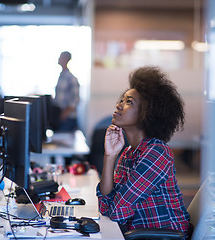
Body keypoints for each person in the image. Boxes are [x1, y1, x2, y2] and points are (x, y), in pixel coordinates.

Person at [96, 66, 191, 237]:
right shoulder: (129, 153)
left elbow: (116, 211)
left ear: (147, 113)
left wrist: (112, 206)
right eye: (122, 100)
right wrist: (110, 156)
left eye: (129, 102)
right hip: (140, 234)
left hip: (164, 236)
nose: (119, 105)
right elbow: (105, 207)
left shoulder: (157, 153)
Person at [53, 51, 80, 131]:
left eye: (60, 57)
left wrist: (65, 114)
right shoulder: (61, 75)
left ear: (65, 59)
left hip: (67, 117)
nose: (58, 59)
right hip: (60, 115)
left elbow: (75, 99)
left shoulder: (71, 78)